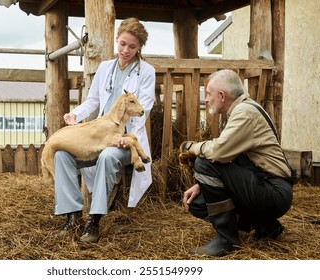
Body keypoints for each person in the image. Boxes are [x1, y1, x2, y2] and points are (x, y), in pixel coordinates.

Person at [53, 18, 155, 243]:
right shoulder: (105, 68)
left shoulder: (146, 72)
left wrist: (122, 137)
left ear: (139, 48)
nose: (125, 50)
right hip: (99, 136)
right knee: (62, 155)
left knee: (109, 156)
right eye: (122, 44)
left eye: (132, 46)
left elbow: (143, 110)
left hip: (126, 140)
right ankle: (73, 216)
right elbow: (93, 101)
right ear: (116, 40)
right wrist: (76, 115)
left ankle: (94, 222)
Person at [179, 69, 294, 256]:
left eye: (209, 94)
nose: (206, 99)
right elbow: (232, 159)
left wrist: (192, 147)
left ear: (222, 95)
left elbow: (217, 152)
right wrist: (201, 185)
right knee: (198, 203)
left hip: (273, 191)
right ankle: (266, 225)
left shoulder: (244, 113)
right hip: (265, 186)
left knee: (204, 162)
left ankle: (226, 240)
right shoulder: (241, 110)